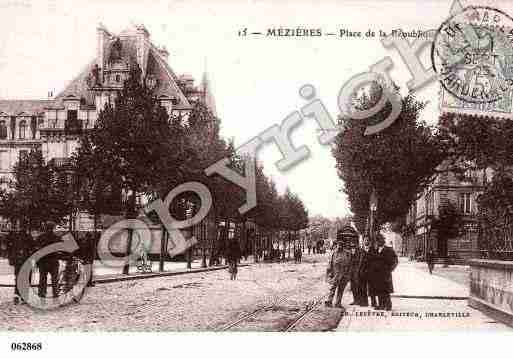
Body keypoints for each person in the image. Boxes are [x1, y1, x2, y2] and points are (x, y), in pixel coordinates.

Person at [325, 227, 354, 309]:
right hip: (336, 274)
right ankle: (329, 301)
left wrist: (348, 275)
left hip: (344, 275)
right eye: (338, 245)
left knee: (341, 290)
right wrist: (329, 273)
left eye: (341, 245)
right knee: (332, 289)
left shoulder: (347, 253)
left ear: (343, 245)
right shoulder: (334, 253)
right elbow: (330, 264)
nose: (340, 246)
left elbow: (350, 264)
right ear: (336, 245)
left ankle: (338, 303)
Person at [369, 234, 398, 311]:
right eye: (377, 241)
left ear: (383, 241)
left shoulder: (389, 250)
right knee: (378, 289)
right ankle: (381, 305)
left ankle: (388, 305)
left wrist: (390, 269)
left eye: (379, 240)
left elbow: (395, 261)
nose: (378, 242)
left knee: (386, 290)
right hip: (377, 274)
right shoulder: (375, 250)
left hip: (385, 274)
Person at [37, 222, 61, 299]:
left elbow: (37, 250)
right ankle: (55, 293)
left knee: (43, 279)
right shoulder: (57, 238)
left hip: (43, 261)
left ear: (45, 228)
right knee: (54, 279)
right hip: (53, 261)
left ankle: (42, 293)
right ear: (53, 228)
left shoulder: (40, 237)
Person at [7, 230, 32, 305]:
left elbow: (9, 249)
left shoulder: (15, 236)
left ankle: (18, 296)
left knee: (18, 278)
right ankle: (21, 296)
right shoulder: (27, 237)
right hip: (24, 261)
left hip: (20, 261)